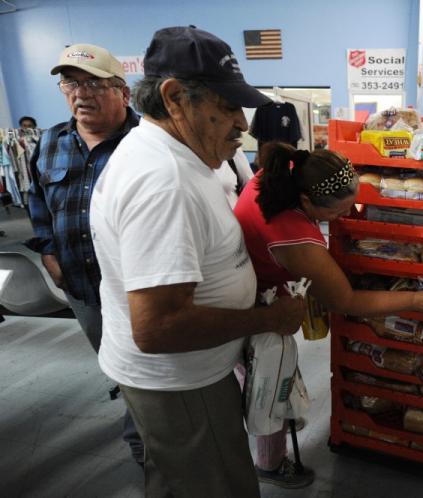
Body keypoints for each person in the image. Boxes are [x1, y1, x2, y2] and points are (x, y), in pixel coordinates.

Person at [89, 26, 305, 498]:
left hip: (188, 377)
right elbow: (158, 328)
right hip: (181, 386)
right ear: (174, 98)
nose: (243, 124)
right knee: (216, 484)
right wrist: (270, 317)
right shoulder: (163, 182)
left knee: (179, 478)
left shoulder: (182, 156)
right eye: (227, 107)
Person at [233, 142, 423, 488]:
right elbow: (346, 301)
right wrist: (417, 299)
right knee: (267, 379)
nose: (346, 217)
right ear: (307, 202)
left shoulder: (284, 174)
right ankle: (271, 463)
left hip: (259, 283)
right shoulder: (295, 237)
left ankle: (283, 419)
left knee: (274, 374)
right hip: (252, 305)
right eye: (338, 213)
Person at [25, 43, 144, 465]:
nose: (81, 93)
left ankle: (145, 444)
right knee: (116, 365)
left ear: (123, 92)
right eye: (71, 83)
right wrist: (48, 253)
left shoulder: (147, 143)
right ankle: (143, 431)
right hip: (79, 286)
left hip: (138, 291)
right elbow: (36, 199)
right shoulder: (51, 141)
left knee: (144, 368)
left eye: (94, 83)